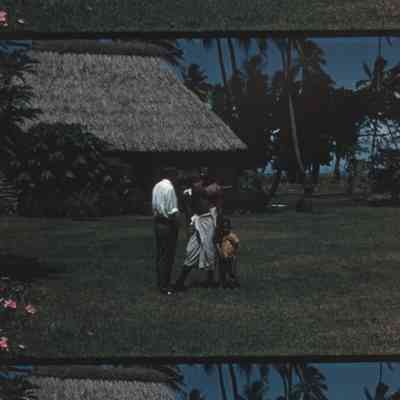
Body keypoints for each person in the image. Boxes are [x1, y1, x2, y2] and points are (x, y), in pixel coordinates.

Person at [174, 175, 217, 291]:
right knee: (191, 250)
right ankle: (180, 282)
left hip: (207, 221)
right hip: (198, 221)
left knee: (208, 250)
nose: (198, 184)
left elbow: (209, 192)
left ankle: (210, 281)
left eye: (199, 181)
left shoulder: (205, 191)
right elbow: (188, 211)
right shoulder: (189, 194)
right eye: (195, 182)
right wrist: (190, 225)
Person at [152, 167, 180, 295]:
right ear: (172, 175)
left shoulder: (156, 186)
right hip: (168, 224)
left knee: (160, 255)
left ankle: (160, 283)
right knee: (168, 256)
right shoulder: (170, 188)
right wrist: (178, 224)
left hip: (158, 223)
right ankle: (166, 285)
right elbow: (172, 210)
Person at [216, 218, 240, 288]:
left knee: (231, 271)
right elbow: (218, 244)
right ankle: (222, 283)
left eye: (227, 228)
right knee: (222, 270)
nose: (225, 230)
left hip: (231, 256)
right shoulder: (221, 236)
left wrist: (234, 252)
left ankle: (233, 284)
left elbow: (237, 243)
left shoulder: (232, 235)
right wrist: (220, 252)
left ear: (230, 228)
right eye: (224, 228)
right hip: (223, 256)